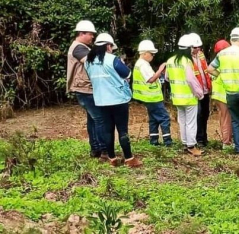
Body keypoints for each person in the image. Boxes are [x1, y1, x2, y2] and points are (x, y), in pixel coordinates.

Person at [85, 33, 142, 168]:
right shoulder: (112, 59)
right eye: (111, 46)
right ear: (108, 46)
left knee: (107, 130)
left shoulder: (88, 61)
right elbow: (127, 74)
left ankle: (112, 157)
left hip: (100, 101)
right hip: (118, 100)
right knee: (122, 130)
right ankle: (129, 158)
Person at [207, 27, 239, 154]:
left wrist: (221, 75)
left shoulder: (222, 54)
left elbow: (209, 69)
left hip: (230, 93)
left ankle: (238, 149)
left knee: (236, 121)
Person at [66, 20, 106, 159]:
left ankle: (95, 150)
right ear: (82, 33)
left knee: (93, 119)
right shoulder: (79, 48)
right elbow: (93, 62)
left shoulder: (82, 47)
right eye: (91, 34)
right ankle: (104, 151)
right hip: (85, 90)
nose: (93, 37)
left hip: (86, 89)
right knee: (100, 119)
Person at [165, 34, 204, 156]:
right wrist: (199, 93)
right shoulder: (187, 61)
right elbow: (191, 80)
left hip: (176, 97)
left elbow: (166, 77)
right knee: (191, 122)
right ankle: (191, 146)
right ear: (188, 48)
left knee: (182, 121)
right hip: (189, 98)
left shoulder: (170, 60)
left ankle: (185, 143)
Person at [132, 40, 172, 147]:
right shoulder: (143, 64)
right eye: (151, 53)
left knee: (154, 119)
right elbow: (151, 79)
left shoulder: (140, 64)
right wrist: (160, 69)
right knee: (164, 118)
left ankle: (154, 140)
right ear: (144, 53)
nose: (153, 56)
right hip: (152, 97)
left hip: (147, 97)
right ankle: (167, 141)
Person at [189, 32, 212, 147]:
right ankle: (199, 139)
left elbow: (205, 71)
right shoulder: (187, 59)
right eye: (195, 47)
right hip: (195, 92)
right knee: (197, 115)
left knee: (205, 114)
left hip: (205, 90)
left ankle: (204, 137)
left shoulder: (201, 55)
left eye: (199, 47)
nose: (197, 49)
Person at [211, 40, 233, 149]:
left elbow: (210, 70)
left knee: (223, 118)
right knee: (226, 118)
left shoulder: (218, 62)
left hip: (217, 95)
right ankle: (227, 143)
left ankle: (226, 139)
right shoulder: (224, 63)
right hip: (223, 95)